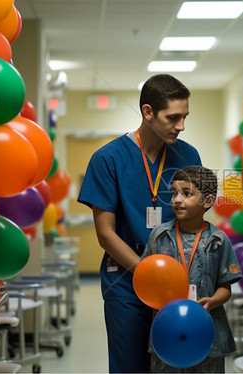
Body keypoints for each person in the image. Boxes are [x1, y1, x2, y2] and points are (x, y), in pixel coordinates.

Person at [77, 74, 202, 373]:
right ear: (148, 112)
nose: (181, 125)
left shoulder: (188, 155)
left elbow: (195, 221)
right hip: (127, 282)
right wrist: (148, 274)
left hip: (177, 280)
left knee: (177, 364)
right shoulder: (108, 159)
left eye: (184, 117)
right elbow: (106, 234)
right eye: (173, 117)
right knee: (130, 365)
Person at [141, 166, 243, 373]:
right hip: (168, 330)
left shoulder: (218, 241)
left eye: (186, 193)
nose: (177, 200)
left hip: (207, 332)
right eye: (174, 193)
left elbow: (225, 288)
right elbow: (146, 278)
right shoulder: (160, 236)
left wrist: (213, 301)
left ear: (207, 201)